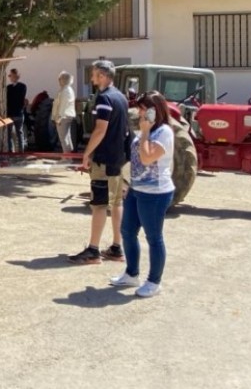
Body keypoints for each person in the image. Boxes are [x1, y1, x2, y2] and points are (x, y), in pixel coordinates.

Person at [110, 91, 175, 298]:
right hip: (137, 189)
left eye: (143, 109)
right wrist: (130, 183)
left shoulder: (164, 132)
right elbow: (136, 161)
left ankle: (154, 282)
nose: (139, 113)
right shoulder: (144, 130)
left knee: (153, 237)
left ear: (155, 111)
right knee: (127, 231)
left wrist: (145, 132)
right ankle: (131, 273)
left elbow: (147, 159)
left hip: (156, 193)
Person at [69, 60, 129, 265]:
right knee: (117, 202)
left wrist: (87, 153)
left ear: (103, 76)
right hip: (118, 159)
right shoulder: (120, 97)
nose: (91, 78)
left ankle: (93, 251)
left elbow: (100, 129)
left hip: (103, 159)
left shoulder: (104, 98)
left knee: (99, 205)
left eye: (94, 74)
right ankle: (117, 247)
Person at [51, 71, 77, 154]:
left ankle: (67, 157)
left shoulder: (66, 90)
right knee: (66, 137)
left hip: (63, 116)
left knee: (63, 137)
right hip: (65, 116)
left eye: (60, 79)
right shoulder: (66, 89)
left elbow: (63, 105)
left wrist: (59, 117)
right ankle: (69, 155)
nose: (58, 81)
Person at [6, 68, 27, 152]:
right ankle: (16, 151)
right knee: (17, 133)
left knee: (14, 133)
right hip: (16, 113)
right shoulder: (22, 86)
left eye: (10, 75)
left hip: (15, 113)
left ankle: (16, 151)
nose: (10, 77)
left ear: (15, 76)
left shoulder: (12, 88)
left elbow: (17, 99)